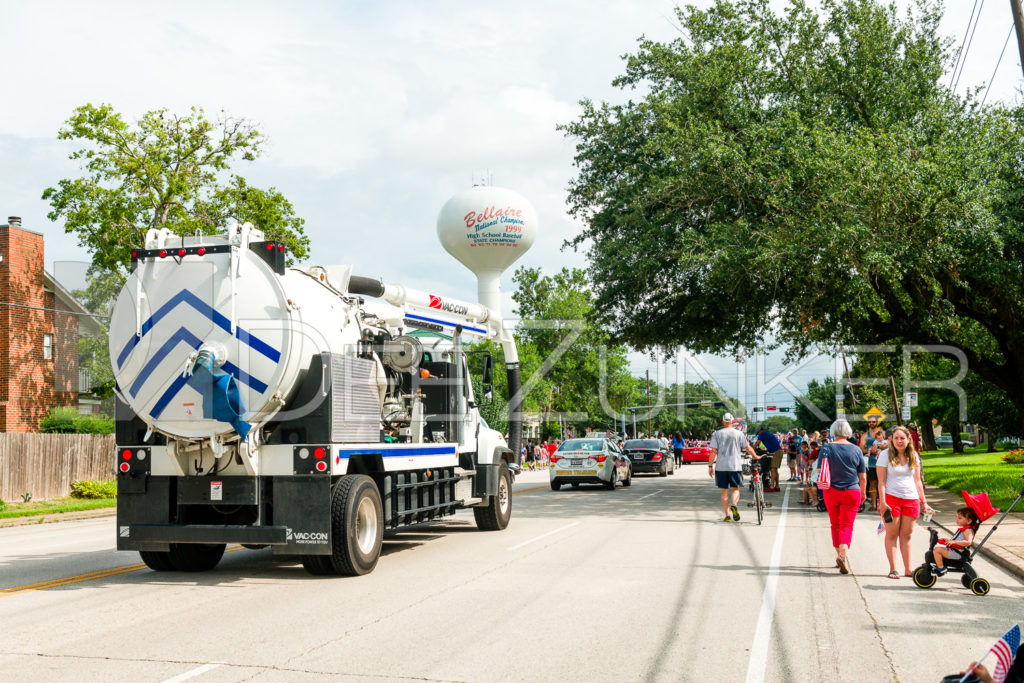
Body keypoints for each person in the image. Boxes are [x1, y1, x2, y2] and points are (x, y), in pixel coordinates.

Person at [877, 426, 933, 578]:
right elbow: (881, 481)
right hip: (891, 499)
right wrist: (882, 502)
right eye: (896, 438)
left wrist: (924, 502)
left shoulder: (913, 455)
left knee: (906, 535)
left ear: (909, 440)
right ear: (892, 440)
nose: (899, 441)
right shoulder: (885, 455)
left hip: (911, 500)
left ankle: (908, 570)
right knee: (892, 534)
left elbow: (917, 481)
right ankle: (893, 568)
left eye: (902, 438)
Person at [819, 419, 866, 574]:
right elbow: (862, 476)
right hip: (852, 491)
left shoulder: (826, 448)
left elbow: (820, 471)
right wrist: (864, 492)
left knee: (835, 524)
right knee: (847, 525)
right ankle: (842, 554)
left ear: (833, 431)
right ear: (848, 432)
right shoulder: (856, 450)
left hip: (831, 491)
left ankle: (838, 555)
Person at [708, 413, 756, 522]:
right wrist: (756, 456)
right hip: (735, 466)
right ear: (732, 422)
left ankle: (727, 516)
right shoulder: (739, 434)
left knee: (724, 491)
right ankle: (734, 505)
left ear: (723, 421)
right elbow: (748, 448)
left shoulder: (717, 434)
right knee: (735, 489)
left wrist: (710, 466)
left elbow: (713, 452)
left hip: (721, 467)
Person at [933, 506, 979, 575]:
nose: (957, 520)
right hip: (955, 551)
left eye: (960, 518)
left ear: (969, 521)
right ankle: (940, 565)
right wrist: (949, 541)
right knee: (937, 549)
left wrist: (954, 542)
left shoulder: (968, 531)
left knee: (937, 550)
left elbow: (969, 542)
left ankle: (941, 568)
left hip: (958, 553)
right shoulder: (964, 529)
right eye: (957, 517)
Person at [859, 416, 886, 511]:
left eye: (873, 422)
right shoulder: (866, 435)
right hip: (871, 463)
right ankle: (874, 505)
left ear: (877, 422)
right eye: (870, 422)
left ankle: (884, 504)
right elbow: (861, 448)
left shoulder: (883, 433)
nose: (871, 423)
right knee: (872, 483)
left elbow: (890, 444)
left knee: (884, 483)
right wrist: (870, 450)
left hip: (884, 462)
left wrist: (881, 448)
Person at [754, 426, 783, 492]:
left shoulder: (762, 434)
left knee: (772, 469)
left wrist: (753, 451)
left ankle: (772, 486)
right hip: (779, 451)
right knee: (775, 469)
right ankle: (777, 486)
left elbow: (756, 444)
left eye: (758, 433)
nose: (758, 435)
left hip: (776, 452)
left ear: (760, 431)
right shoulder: (768, 434)